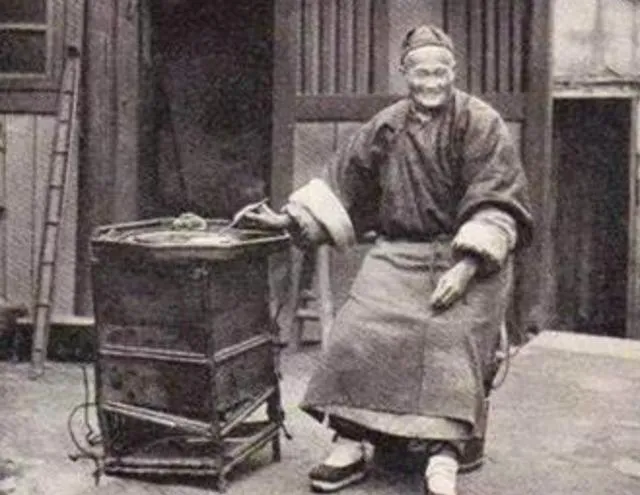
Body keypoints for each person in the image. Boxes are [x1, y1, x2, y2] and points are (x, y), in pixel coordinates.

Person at [245, 24, 533, 495]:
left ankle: (445, 453)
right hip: (399, 252)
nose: (431, 82)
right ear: (404, 73)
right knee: (358, 329)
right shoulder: (385, 125)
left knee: (451, 339)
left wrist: (466, 267)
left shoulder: (481, 122)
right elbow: (341, 183)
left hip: (471, 258)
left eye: (440, 72)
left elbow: (499, 198)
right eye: (421, 72)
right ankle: (350, 441)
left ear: (454, 71)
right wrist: (291, 220)